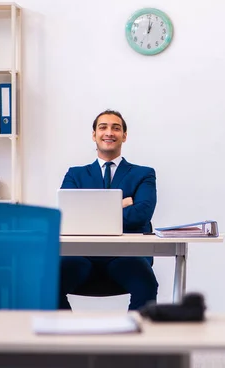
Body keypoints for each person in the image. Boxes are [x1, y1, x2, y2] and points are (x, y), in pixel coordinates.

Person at [58, 109, 158, 310]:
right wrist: (121, 204)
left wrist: (91, 212)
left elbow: (141, 215)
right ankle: (67, 338)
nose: (109, 132)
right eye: (103, 127)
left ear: (124, 136)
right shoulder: (75, 174)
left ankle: (137, 339)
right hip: (81, 254)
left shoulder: (143, 174)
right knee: (48, 283)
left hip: (127, 254)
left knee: (147, 285)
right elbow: (69, 215)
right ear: (94, 135)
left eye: (116, 128)